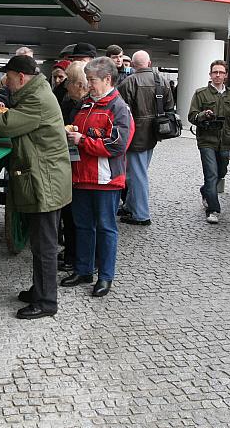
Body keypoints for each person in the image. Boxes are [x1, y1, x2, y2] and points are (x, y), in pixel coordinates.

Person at [0, 55, 71, 320]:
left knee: (44, 245)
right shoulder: (36, 91)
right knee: (40, 241)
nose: (5, 83)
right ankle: (40, 290)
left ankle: (46, 302)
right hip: (45, 177)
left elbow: (6, 124)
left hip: (46, 181)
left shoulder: (38, 99)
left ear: (21, 77)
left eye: (8, 78)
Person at [61, 57, 133, 298]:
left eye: (91, 80)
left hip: (106, 180)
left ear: (107, 80)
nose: (88, 85)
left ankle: (105, 276)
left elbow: (118, 145)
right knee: (82, 226)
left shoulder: (119, 108)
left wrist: (83, 140)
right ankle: (83, 270)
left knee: (105, 228)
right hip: (82, 177)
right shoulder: (85, 104)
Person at [117, 50, 174, 226]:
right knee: (139, 172)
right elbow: (169, 106)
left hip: (135, 135)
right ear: (150, 63)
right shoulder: (162, 81)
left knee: (137, 175)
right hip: (154, 134)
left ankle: (141, 214)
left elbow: (122, 112)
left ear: (133, 65)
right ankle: (130, 206)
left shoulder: (128, 82)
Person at [189, 60, 230, 224]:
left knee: (221, 173)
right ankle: (213, 209)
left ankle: (205, 191)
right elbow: (192, 116)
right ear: (210, 74)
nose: (218, 75)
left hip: (225, 140)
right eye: (215, 72)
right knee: (212, 173)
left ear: (225, 75)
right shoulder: (201, 94)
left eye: (221, 72)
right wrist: (203, 115)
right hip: (206, 140)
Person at [57, 61, 88, 273]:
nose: (65, 85)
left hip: (79, 168)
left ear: (78, 84)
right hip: (72, 165)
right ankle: (70, 252)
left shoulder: (83, 106)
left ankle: (74, 256)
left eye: (68, 81)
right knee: (69, 213)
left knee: (75, 214)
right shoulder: (72, 102)